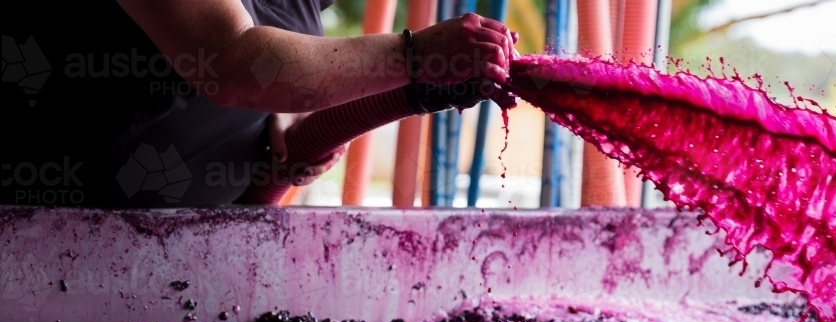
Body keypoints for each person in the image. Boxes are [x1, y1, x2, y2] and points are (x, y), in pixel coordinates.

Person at [2, 0, 517, 207]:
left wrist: (288, 123)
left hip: (178, 283)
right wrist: (418, 55)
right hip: (36, 260)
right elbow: (229, 63)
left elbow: (270, 69)